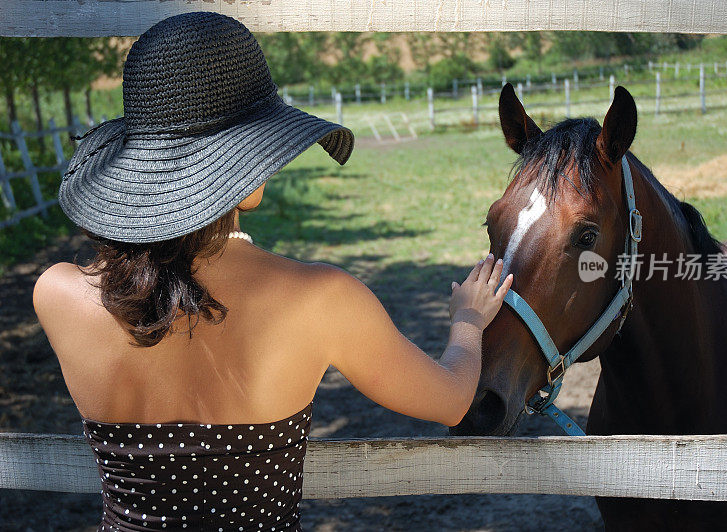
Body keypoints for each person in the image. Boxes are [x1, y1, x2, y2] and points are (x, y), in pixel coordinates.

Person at [32, 12, 513, 532]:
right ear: (245, 170)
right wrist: (467, 321)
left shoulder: (57, 294)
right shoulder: (323, 299)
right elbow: (450, 400)